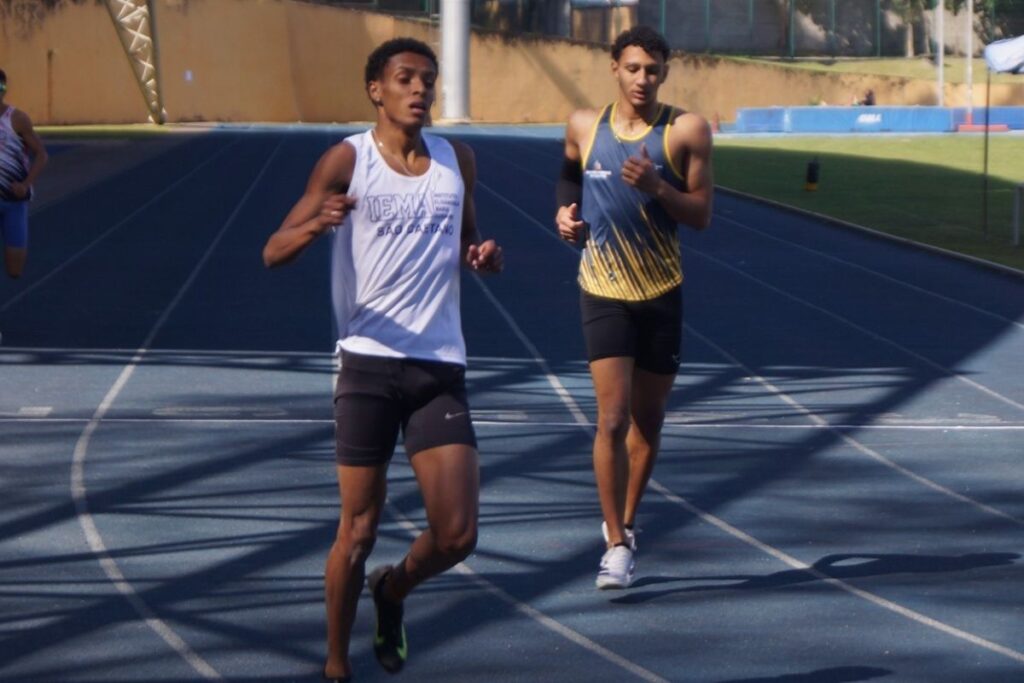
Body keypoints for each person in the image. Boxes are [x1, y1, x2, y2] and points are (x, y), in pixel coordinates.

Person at [262, 38, 503, 682]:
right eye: (406, 78)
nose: (420, 89)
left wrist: (480, 255)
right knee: (358, 529)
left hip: (438, 366)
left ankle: (391, 592)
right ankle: (337, 665)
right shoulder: (348, 158)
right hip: (367, 365)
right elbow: (273, 249)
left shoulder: (459, 160)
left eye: (428, 79)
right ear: (377, 89)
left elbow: (468, 238)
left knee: (457, 536)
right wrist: (318, 224)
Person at [554, 26, 713, 590]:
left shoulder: (686, 131)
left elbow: (699, 215)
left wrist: (655, 186)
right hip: (602, 287)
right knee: (612, 418)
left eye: (653, 69)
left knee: (647, 423)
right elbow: (571, 172)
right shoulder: (582, 126)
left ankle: (629, 520)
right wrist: (564, 213)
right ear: (614, 68)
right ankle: (615, 542)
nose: (642, 78)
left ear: (666, 71)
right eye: (633, 68)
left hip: (661, 290)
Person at [0, 68, 48, 280]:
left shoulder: (17, 119)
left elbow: (41, 155)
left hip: (13, 201)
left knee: (15, 270)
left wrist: (26, 184)